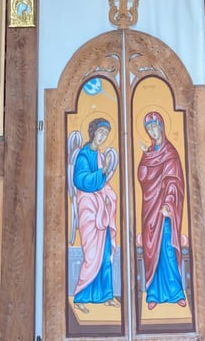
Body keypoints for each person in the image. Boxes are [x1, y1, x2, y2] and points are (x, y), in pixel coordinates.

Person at [137, 111, 187, 310]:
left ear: (161, 127)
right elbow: (143, 177)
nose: (152, 131)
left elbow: (175, 182)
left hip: (165, 211)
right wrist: (146, 155)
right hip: (150, 208)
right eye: (149, 128)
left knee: (166, 248)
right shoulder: (150, 151)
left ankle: (176, 292)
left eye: (154, 126)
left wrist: (168, 203)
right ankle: (154, 293)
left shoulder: (170, 152)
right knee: (152, 249)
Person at [69, 118, 120, 311]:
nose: (102, 137)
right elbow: (81, 181)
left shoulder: (100, 155)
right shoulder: (83, 155)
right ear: (93, 132)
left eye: (105, 134)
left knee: (105, 254)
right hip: (89, 211)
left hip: (102, 212)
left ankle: (107, 295)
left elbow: (103, 184)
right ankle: (81, 296)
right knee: (91, 255)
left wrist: (109, 196)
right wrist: (103, 172)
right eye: (100, 132)